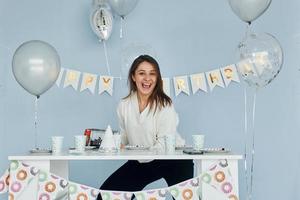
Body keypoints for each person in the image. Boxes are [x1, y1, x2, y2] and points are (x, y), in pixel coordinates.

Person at [97, 55, 194, 200]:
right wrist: (109, 143)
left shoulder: (165, 105)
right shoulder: (124, 105)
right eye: (142, 73)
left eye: (152, 73)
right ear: (133, 77)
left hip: (174, 159)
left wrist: (137, 153)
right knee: (105, 196)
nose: (147, 78)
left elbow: (163, 144)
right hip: (141, 160)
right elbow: (124, 138)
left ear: (157, 78)